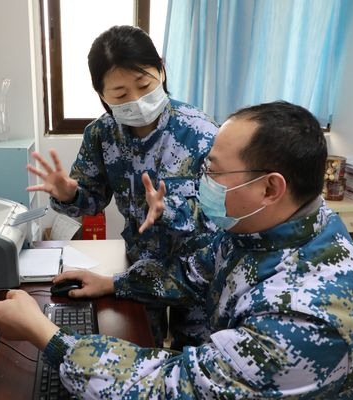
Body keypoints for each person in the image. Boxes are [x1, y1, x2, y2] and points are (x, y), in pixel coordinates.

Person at [0, 101, 353, 398]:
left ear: (271, 187)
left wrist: (45, 335)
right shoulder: (281, 225)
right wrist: (112, 282)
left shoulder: (304, 318)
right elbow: (195, 272)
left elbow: (175, 388)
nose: (202, 184)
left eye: (214, 172)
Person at [26, 25, 219, 348]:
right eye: (120, 94)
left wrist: (169, 210)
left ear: (160, 69)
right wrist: (69, 194)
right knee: (143, 349)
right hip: (140, 268)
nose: (137, 101)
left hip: (197, 271)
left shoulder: (200, 131)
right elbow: (90, 201)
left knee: (196, 358)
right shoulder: (101, 135)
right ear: (102, 94)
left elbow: (224, 210)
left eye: (144, 85)